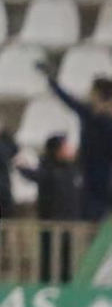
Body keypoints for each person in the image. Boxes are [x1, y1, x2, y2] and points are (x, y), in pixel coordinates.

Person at [39, 71, 112, 222]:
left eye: (92, 92)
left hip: (103, 176)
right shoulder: (88, 113)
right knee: (86, 216)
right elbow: (69, 100)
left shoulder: (106, 122)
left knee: (98, 217)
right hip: (87, 172)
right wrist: (52, 82)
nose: (89, 95)